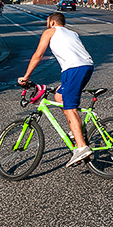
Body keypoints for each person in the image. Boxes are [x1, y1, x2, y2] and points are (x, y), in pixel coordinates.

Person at [18, 12, 95, 167]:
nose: (46, 24)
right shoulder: (72, 33)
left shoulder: (50, 31)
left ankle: (81, 147)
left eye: (47, 21)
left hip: (73, 69)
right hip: (85, 66)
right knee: (59, 96)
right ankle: (77, 131)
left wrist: (26, 77)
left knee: (70, 107)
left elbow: (38, 55)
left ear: (52, 22)